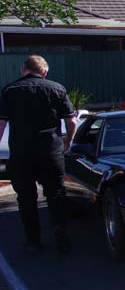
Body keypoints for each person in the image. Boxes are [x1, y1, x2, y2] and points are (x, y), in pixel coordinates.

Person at [0, 55, 77, 253]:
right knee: (56, 194)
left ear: (23, 70)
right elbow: (71, 121)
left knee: (26, 197)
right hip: (51, 151)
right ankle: (59, 230)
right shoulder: (57, 88)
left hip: (22, 153)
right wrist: (68, 141)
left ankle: (33, 240)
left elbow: (1, 124)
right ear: (44, 72)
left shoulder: (9, 90)